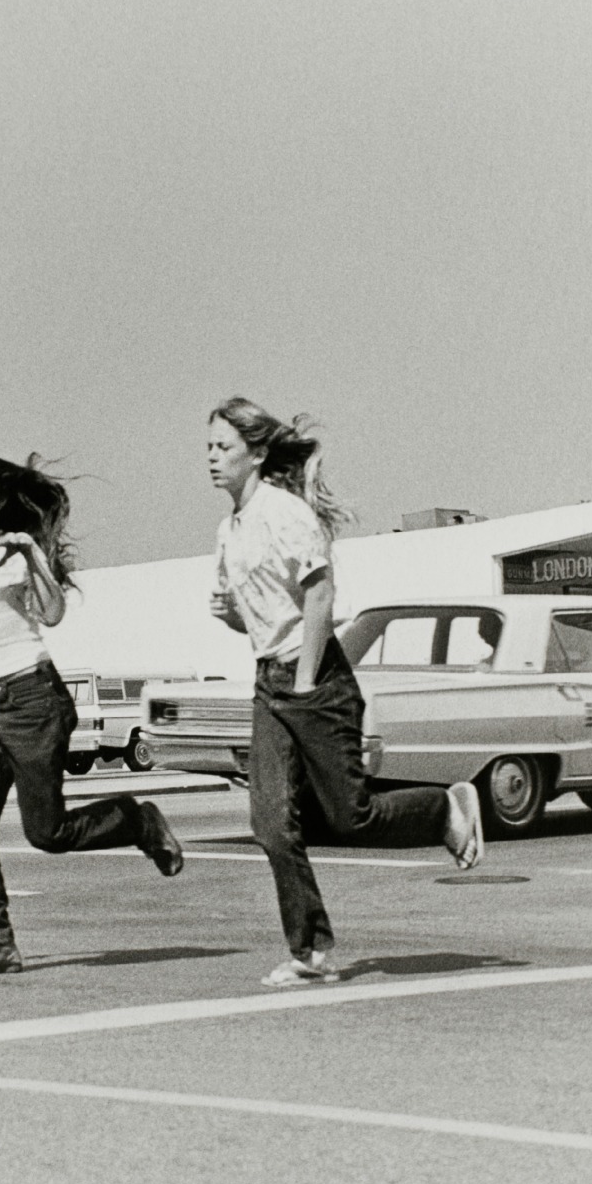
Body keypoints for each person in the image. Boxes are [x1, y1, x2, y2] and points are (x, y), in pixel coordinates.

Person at [206, 398, 482, 989]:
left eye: (223, 447)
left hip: (318, 679)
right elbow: (258, 620)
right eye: (208, 448)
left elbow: (321, 596)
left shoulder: (284, 513)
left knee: (351, 818)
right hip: (269, 683)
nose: (211, 458)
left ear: (256, 455)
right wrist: (229, 614)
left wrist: (306, 678)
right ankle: (309, 952)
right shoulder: (228, 530)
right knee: (272, 825)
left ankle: (444, 810)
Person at [0, 444, 186, 977]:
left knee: (48, 833)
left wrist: (34, 554)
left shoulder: (17, 553)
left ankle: (137, 820)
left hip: (37, 700)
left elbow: (53, 613)